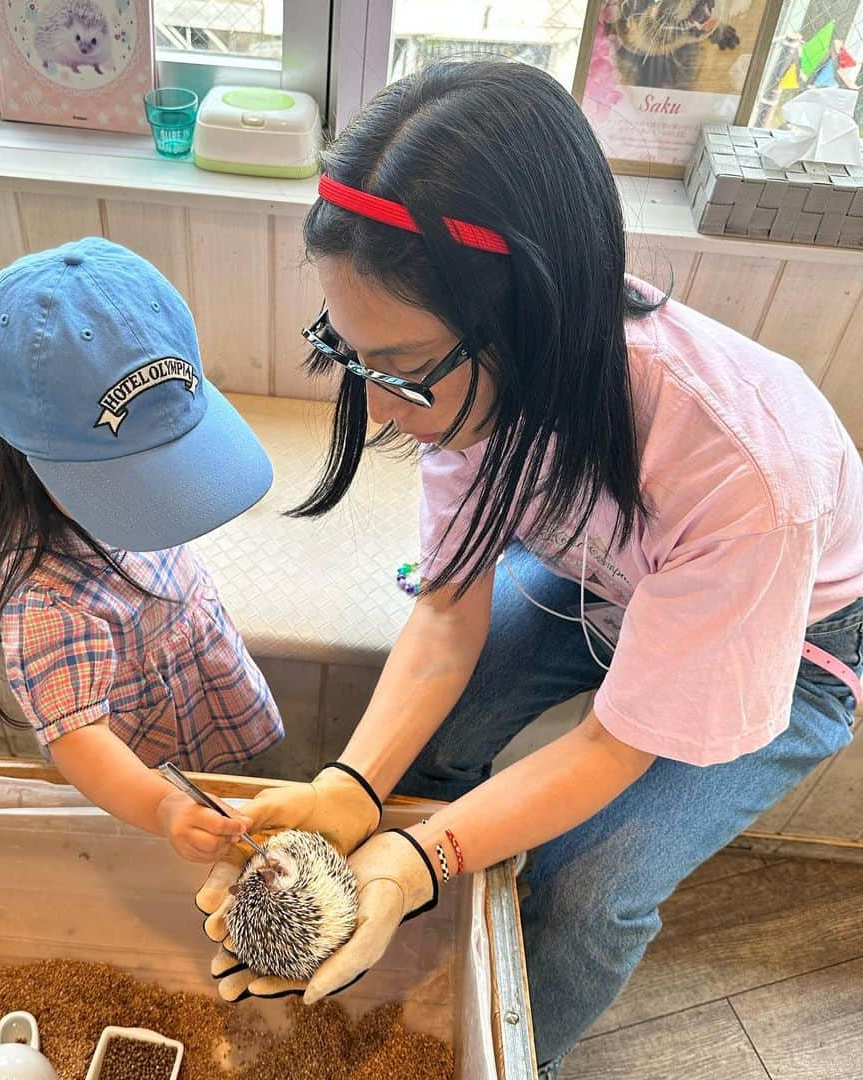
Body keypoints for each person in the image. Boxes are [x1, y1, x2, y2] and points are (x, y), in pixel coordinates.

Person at [195, 60, 863, 1076]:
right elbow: (446, 617)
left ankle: (506, 1050)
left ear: (537, 323)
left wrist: (429, 852)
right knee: (426, 749)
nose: (377, 407)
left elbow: (617, 741)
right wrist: (351, 785)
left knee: (589, 880)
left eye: (406, 371)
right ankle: (405, 922)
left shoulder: (743, 471)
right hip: (606, 577)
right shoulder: (464, 386)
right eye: (349, 352)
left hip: (794, 640)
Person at [0, 237, 283, 864]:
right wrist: (161, 806)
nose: (169, 509)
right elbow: (79, 740)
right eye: (134, 484)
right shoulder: (45, 601)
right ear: (33, 463)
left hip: (204, 681)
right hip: (149, 761)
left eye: (174, 467)